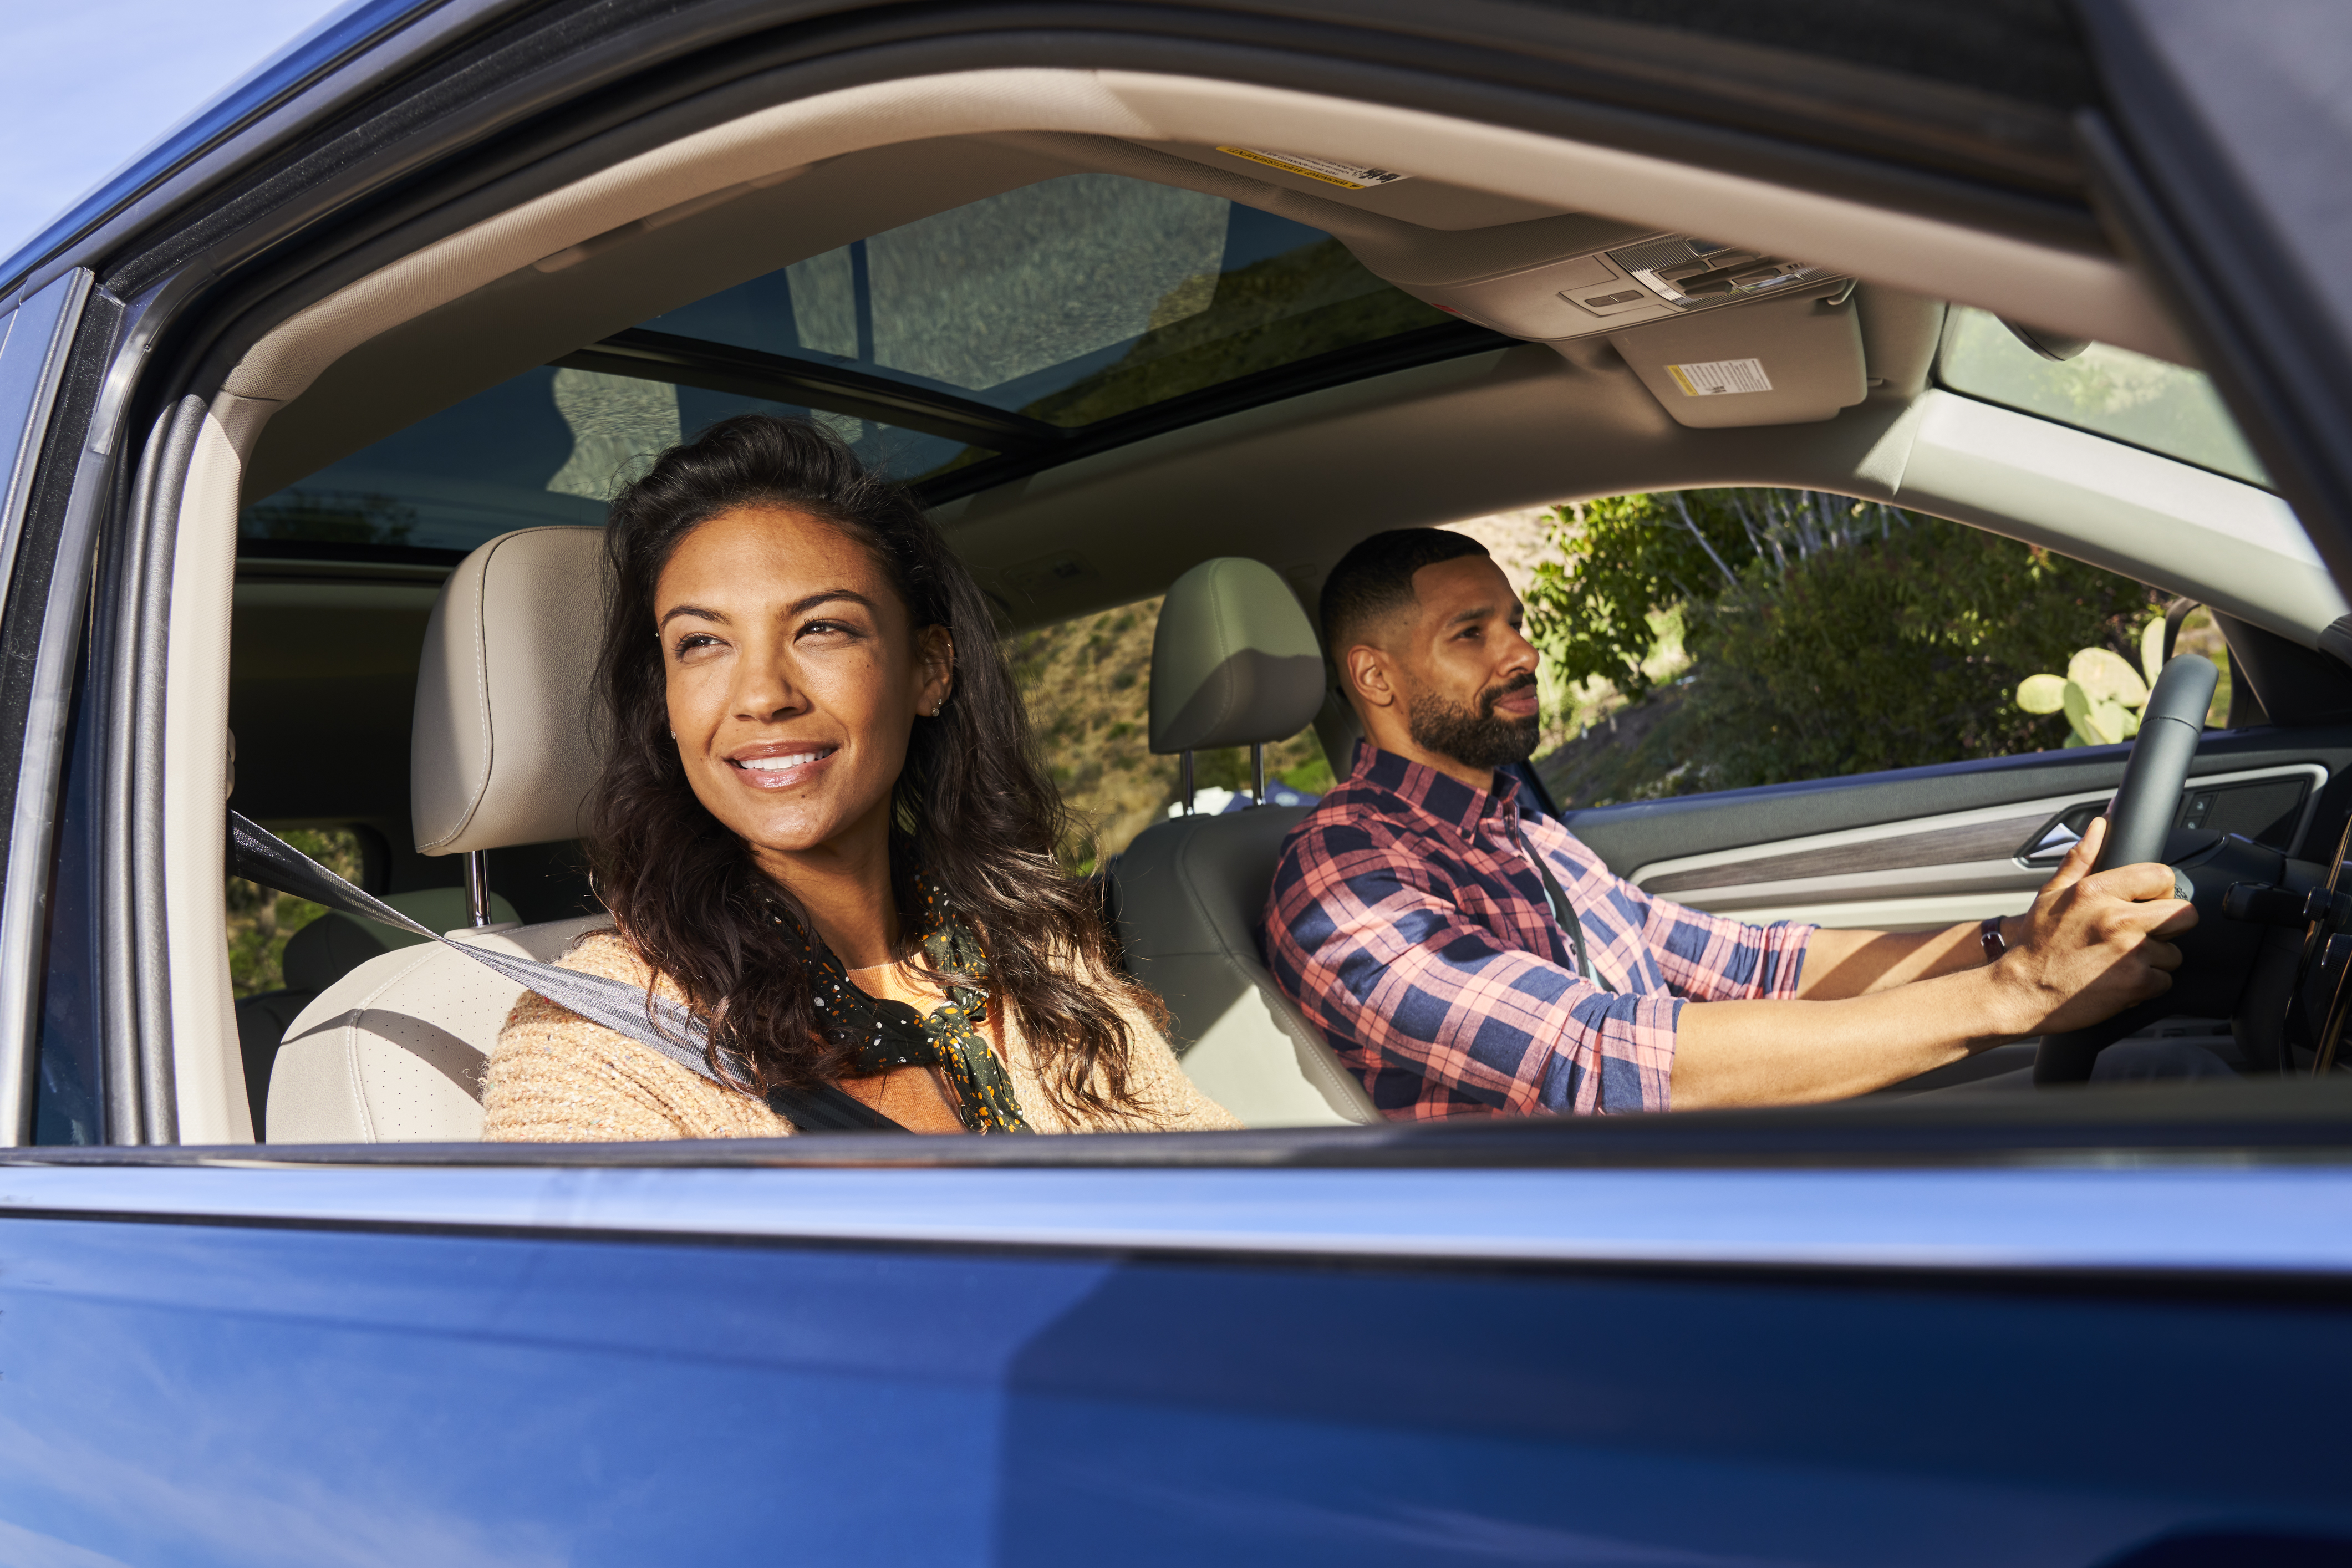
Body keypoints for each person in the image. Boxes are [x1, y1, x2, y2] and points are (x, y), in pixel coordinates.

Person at [1262, 527, 2209, 1117]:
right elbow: (1600, 1064)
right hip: (1623, 1258)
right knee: (2171, 1102)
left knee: (2172, 1073)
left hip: (1705, 1169)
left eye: (1512, 620)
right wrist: (2014, 993)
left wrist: (2013, 940)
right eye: (1470, 634)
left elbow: (1752, 967)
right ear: (1375, 678)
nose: (1521, 651)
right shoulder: (1343, 880)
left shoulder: (1514, 825)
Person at [484, 416, 1239, 1139]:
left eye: (821, 628)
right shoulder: (593, 1040)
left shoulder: (1036, 951)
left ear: (929, 670)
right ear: (665, 705)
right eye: (703, 643)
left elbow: (1223, 1199)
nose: (762, 695)